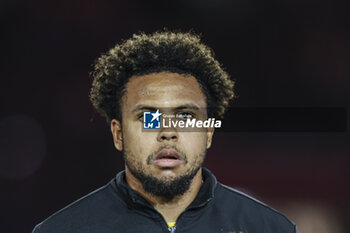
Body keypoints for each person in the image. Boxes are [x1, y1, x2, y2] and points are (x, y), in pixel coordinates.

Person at [32, 30, 298, 233]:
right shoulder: (63, 229)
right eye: (149, 117)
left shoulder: (268, 228)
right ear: (118, 134)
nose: (167, 132)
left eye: (185, 116)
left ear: (208, 133)